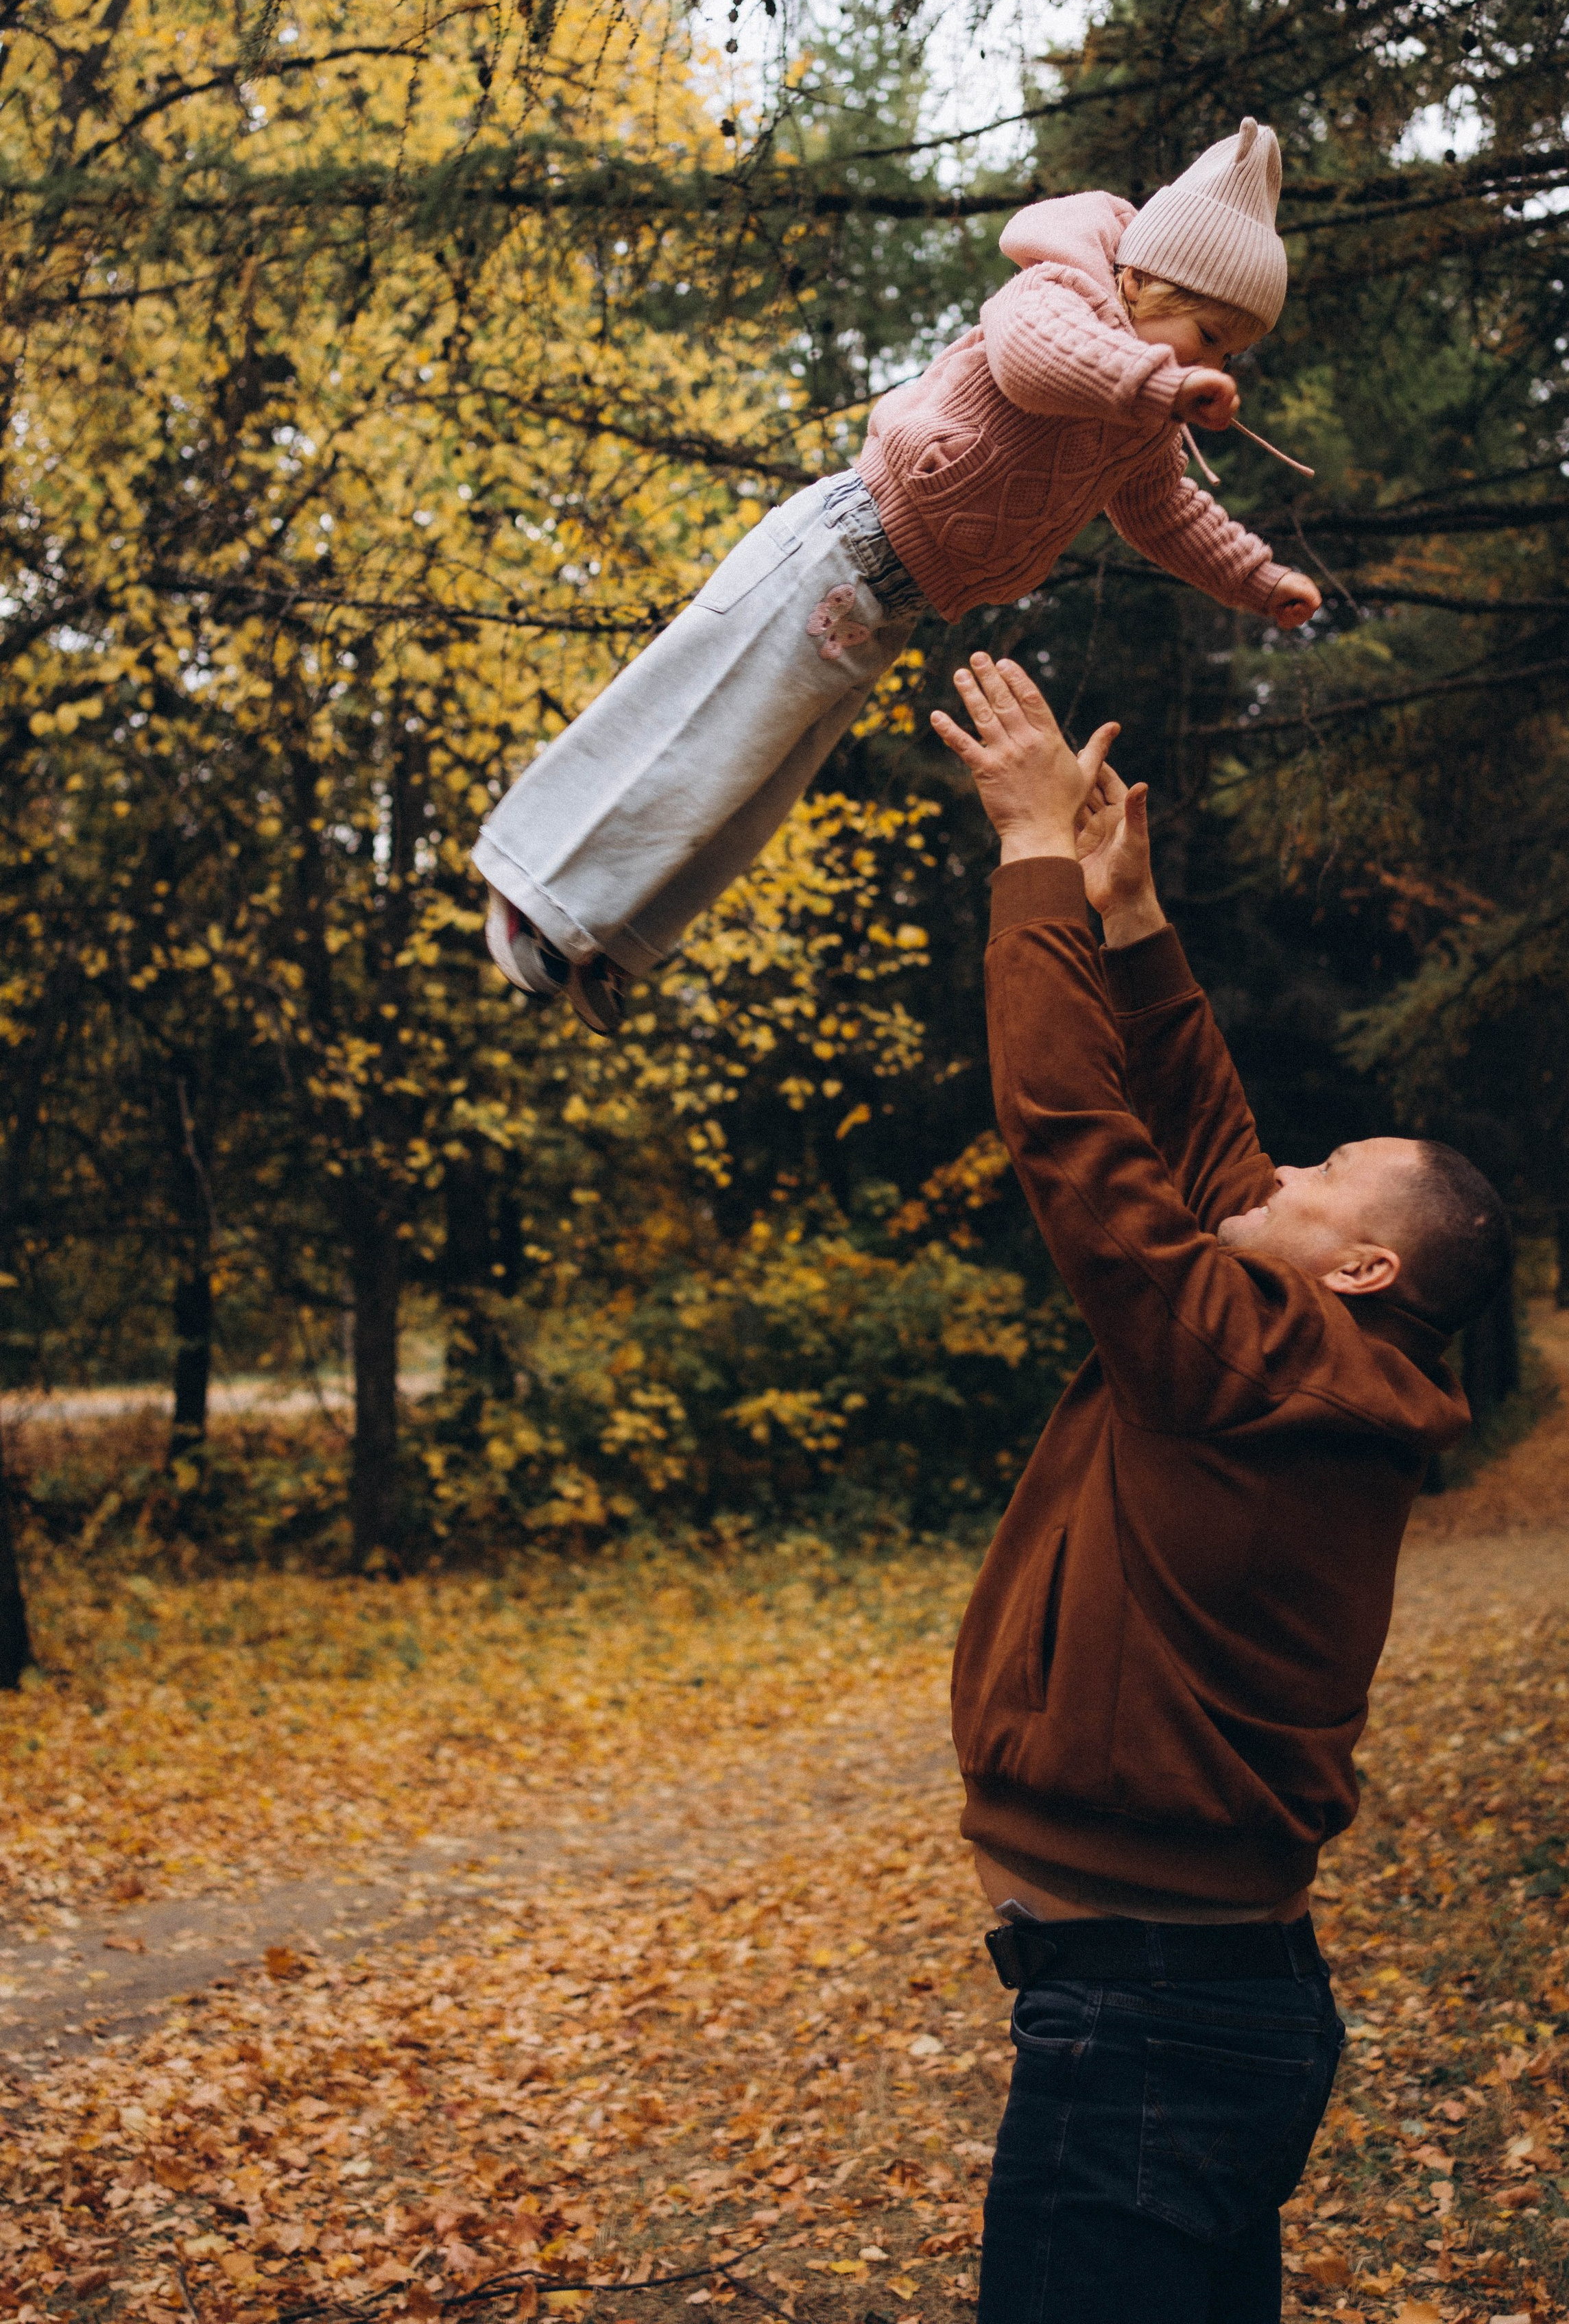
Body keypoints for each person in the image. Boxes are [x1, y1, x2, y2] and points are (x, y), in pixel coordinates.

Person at [927, 653, 1511, 2324]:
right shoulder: (1303, 1362)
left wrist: (1031, 861)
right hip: (1190, 2011)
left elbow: (1078, 1146)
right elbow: (1216, 1169)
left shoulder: (1248, 1366)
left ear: (1363, 1268)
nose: (1283, 1166)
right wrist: (1131, 924)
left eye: (1329, 1174)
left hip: (1148, 2036)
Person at [471, 119, 1323, 1034]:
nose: (1213, 363)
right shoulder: (1059, 293)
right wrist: (1157, 383)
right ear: (1145, 282)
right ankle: (537, 885)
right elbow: (1036, 360)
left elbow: (1165, 512)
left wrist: (1257, 579)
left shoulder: (1147, 420)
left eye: (1230, 355)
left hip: (889, 605)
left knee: (761, 772)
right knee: (700, 717)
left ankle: (613, 933)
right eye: (1209, 334)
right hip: (838, 549)